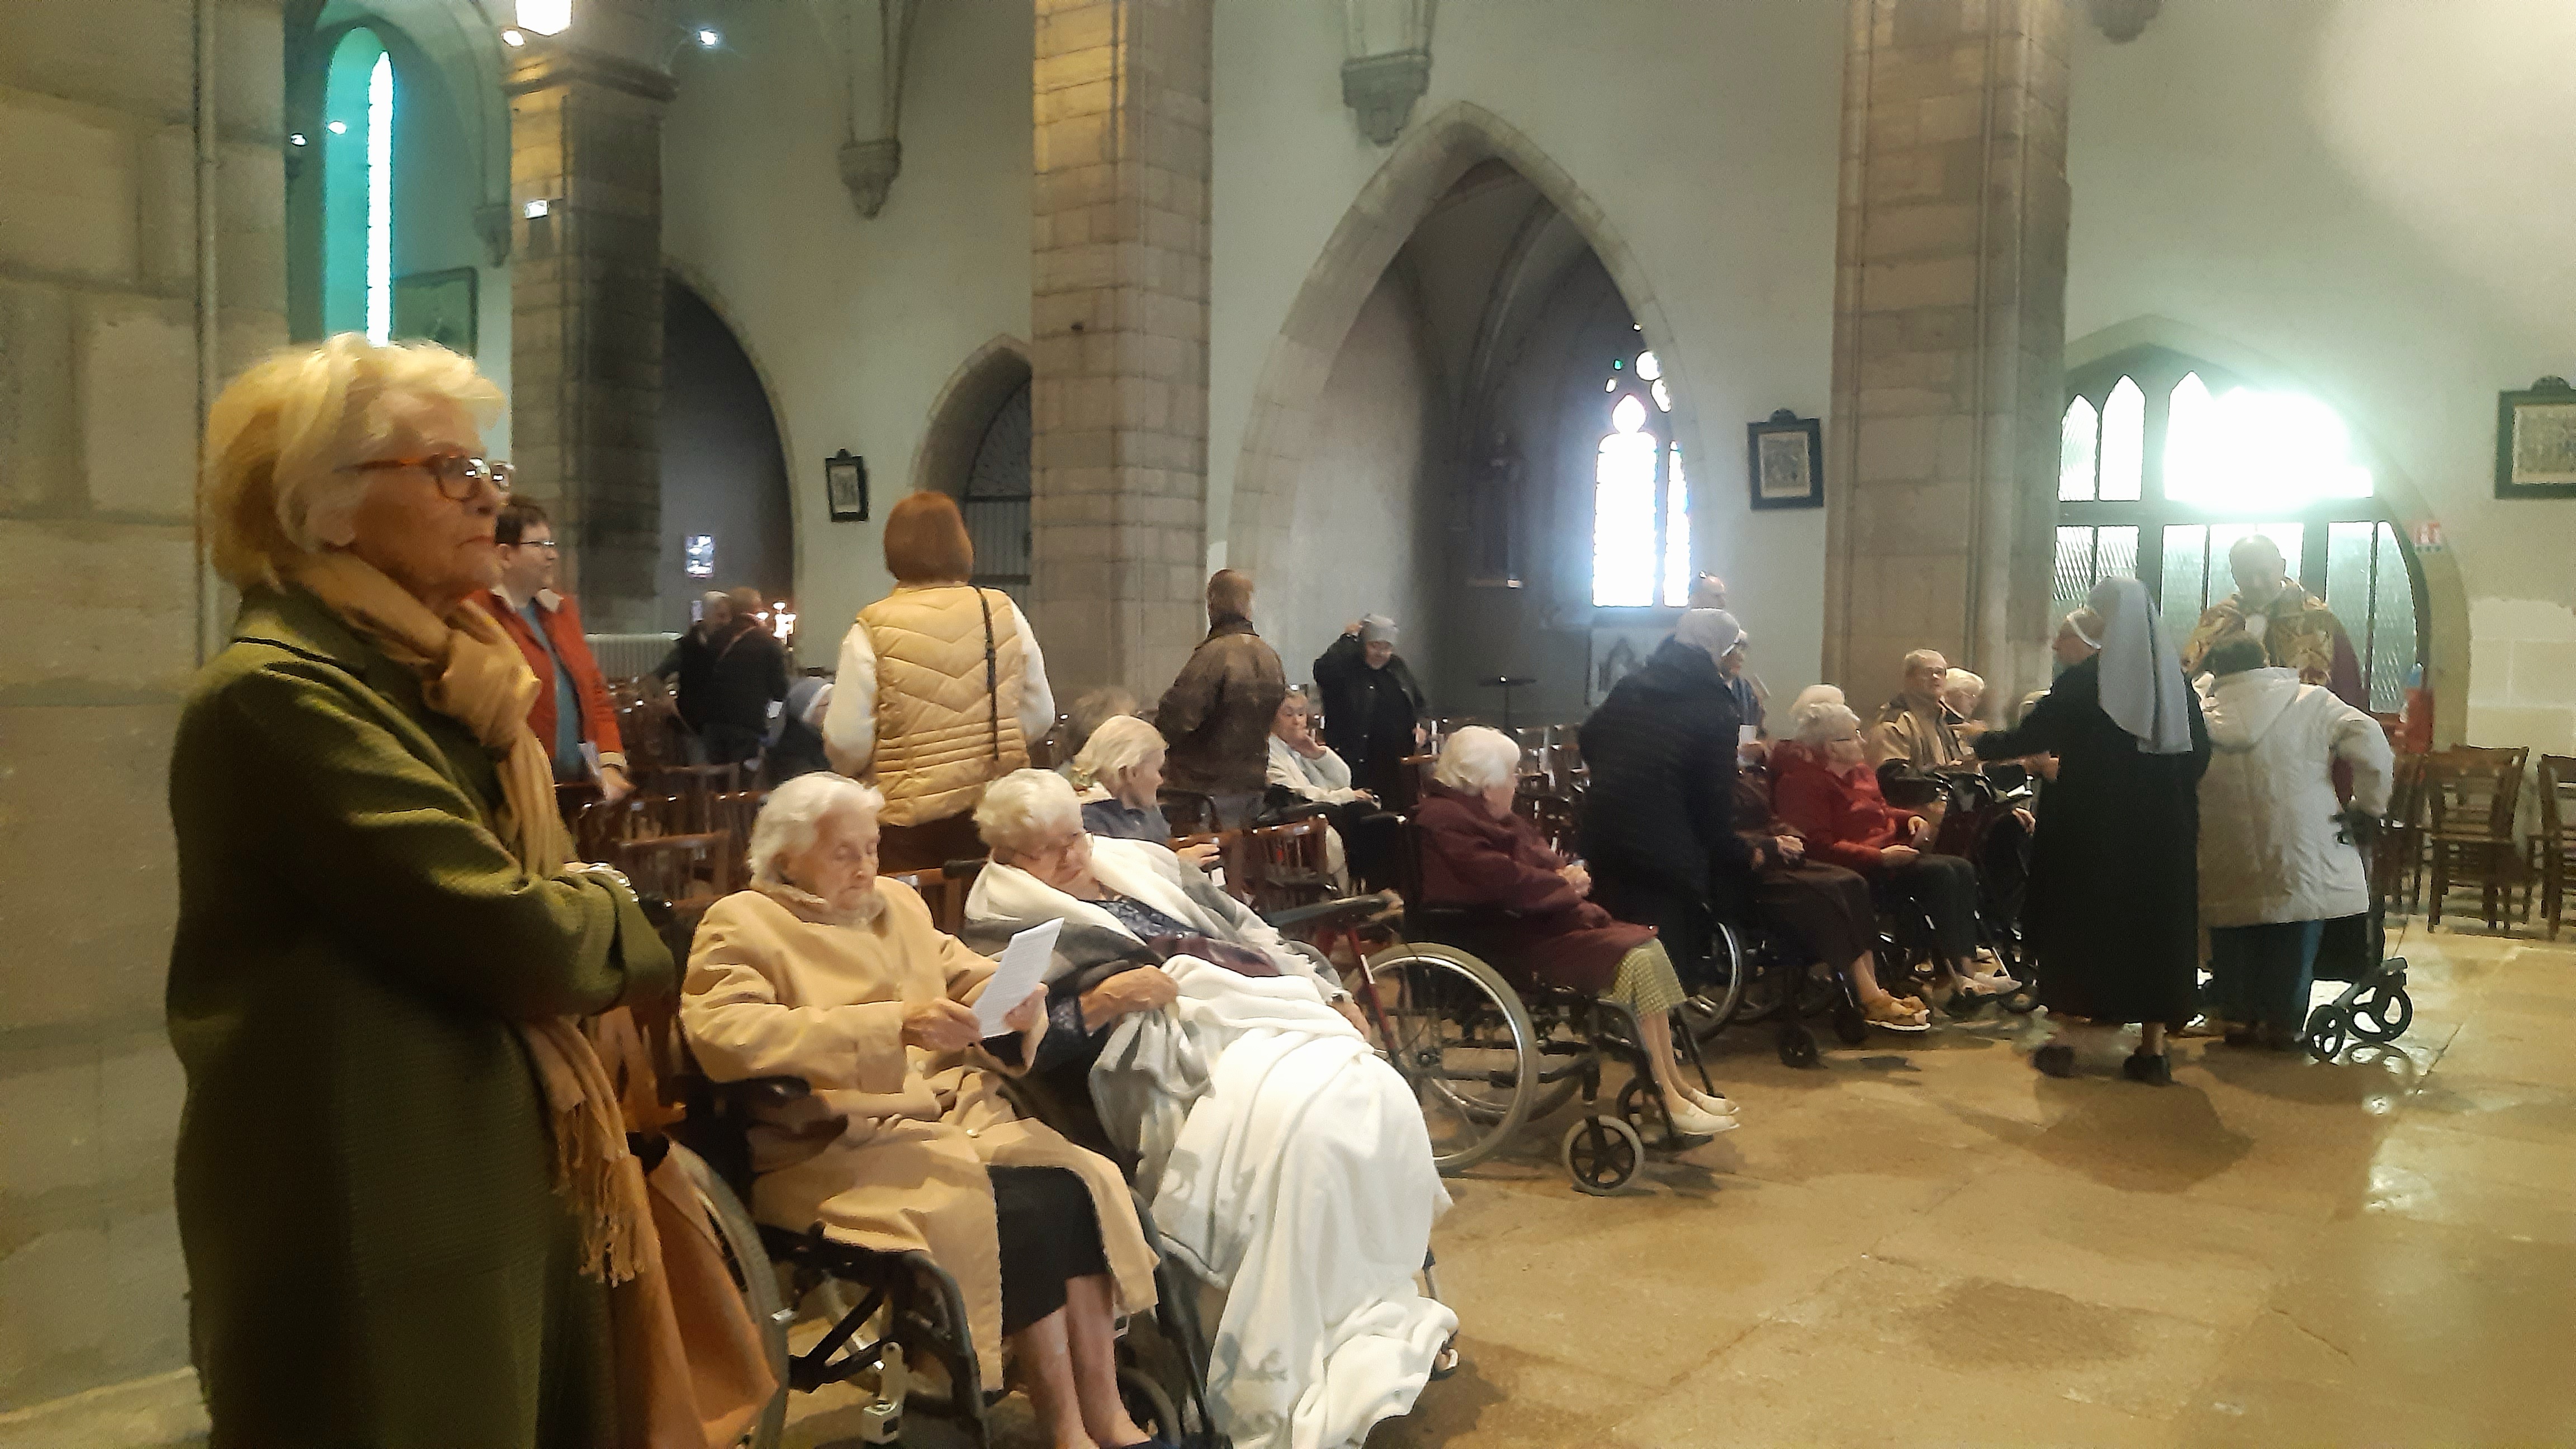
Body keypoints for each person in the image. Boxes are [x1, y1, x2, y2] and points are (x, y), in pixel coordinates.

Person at [172, 336, 681, 1445]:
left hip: (496, 1177)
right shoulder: (280, 694)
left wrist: (585, 909)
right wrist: (637, 918)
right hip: (385, 1210)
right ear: (324, 510)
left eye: (486, 469)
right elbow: (516, 934)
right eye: (449, 471)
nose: (488, 500)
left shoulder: (450, 678)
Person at [963, 770, 1459, 1449]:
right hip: (1160, 1064)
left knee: (1374, 1093)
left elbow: (1248, 930)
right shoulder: (1000, 921)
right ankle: (1287, 1351)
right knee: (1304, 1134)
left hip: (1256, 1014)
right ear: (1007, 855)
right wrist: (1103, 1001)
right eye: (1048, 850)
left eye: (1075, 836)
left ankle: (1368, 1313)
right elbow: (1010, 1045)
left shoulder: (1140, 862)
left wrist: (1325, 987)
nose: (1073, 856)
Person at [680, 774, 1163, 1449]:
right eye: (844, 852)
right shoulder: (742, 922)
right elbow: (726, 1035)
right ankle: (1064, 1429)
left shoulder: (896, 906)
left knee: (1077, 1185)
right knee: (1022, 1213)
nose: (865, 866)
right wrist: (891, 1024)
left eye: (872, 847)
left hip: (946, 1116)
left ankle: (1106, 1413)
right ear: (787, 856)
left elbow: (963, 970)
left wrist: (1014, 996)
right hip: (833, 1139)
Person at [1417, 727, 1741, 1137]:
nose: (1517, 782)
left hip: (1533, 922)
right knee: (1636, 958)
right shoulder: (1444, 821)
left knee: (1648, 947)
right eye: (1512, 774)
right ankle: (1664, 1095)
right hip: (1504, 938)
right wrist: (1561, 884)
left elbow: (1535, 859)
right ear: (1486, 785)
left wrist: (1567, 873)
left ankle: (1675, 1086)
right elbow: (1500, 879)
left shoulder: (1483, 815)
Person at [1974, 578, 2209, 1085]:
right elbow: (2199, 757)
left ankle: (2064, 1041)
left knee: (2078, 921)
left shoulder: (2086, 682)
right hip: (2162, 833)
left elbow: (2033, 736)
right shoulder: (2176, 686)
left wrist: (1980, 742)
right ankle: (2152, 1048)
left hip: (2089, 828)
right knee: (2153, 926)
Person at [825, 491, 1056, 869]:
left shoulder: (873, 626)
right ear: (963, 544)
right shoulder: (1000, 611)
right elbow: (1040, 713)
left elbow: (847, 738)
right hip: (993, 808)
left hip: (906, 821)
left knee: (914, 906)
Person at [2196, 636, 2394, 1047]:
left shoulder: (2199, 712)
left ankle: (2236, 1018)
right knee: (2294, 923)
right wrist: (2369, 806)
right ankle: (2284, 1024)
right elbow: (2371, 739)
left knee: (2234, 924)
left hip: (2224, 838)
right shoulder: (2311, 701)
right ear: (2266, 661)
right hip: (2301, 841)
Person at [1577, 610, 1769, 992]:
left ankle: (1614, 1011)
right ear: (1720, 647)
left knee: (1616, 940)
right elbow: (1713, 797)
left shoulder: (1633, 684)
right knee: (1667, 955)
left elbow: (1590, 738)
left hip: (1604, 832)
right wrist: (1734, 849)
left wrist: (1624, 774)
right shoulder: (1714, 702)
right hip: (1666, 846)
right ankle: (1667, 1021)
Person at [1773, 700, 2002, 1005]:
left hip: (1887, 855)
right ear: (1831, 747)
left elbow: (1881, 811)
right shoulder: (1802, 783)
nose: (1863, 741)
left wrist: (1908, 819)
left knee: (1960, 868)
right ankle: (1953, 977)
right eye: (1853, 736)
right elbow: (1818, 846)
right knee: (1941, 875)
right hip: (1853, 869)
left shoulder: (1861, 773)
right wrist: (1880, 857)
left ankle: (1964, 969)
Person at [1733, 726, 1930, 1030]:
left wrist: (1788, 836)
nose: (1862, 740)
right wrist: (1770, 844)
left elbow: (1771, 819)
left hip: (1773, 854)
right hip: (1743, 867)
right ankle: (1868, 994)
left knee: (1849, 882)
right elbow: (1723, 835)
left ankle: (1872, 990)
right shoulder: (1790, 781)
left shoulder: (1747, 779)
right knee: (1832, 889)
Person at [479, 499, 632, 800]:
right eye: (539, 545)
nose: (552, 555)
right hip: (514, 788)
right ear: (505, 555)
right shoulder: (476, 612)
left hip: (577, 783)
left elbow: (595, 692)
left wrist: (609, 763)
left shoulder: (561, 611)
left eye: (551, 544)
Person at [1154, 569, 1286, 828]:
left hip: (1201, 791)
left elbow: (1177, 719)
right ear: (1249, 607)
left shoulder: (1213, 655)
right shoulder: (1269, 656)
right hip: (1252, 784)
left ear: (1212, 604)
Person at [2180, 533, 2366, 707]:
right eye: (2246, 575)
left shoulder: (2318, 622)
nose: (2256, 584)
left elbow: (2347, 689)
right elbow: (2188, 680)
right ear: (2234, 574)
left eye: (2263, 573)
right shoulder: (2218, 619)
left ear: (2282, 567)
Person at [1267, 688, 1398, 888]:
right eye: (1288, 714)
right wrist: (1347, 796)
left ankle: (1381, 891)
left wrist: (1318, 753)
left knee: (1382, 821)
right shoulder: (1268, 753)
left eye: (1301, 714)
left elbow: (1344, 779)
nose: (1297, 721)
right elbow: (1298, 794)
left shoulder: (1300, 747)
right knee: (1367, 820)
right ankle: (1370, 892)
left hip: (1328, 811)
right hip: (1303, 819)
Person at [1067, 714, 1223, 872]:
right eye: (1158, 771)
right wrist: (1178, 864)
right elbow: (1119, 878)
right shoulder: (1088, 822)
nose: (1160, 780)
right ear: (1130, 773)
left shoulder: (1146, 808)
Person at [1311, 614, 1427, 803]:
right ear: (1362, 644)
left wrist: (1420, 727)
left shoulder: (1397, 667)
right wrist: (1348, 639)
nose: (1381, 653)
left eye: (1387, 647)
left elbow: (1419, 702)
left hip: (1397, 765)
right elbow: (1322, 670)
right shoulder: (1345, 668)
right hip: (1358, 762)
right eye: (1375, 646)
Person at [699, 587, 790, 773]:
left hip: (713, 723)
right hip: (748, 725)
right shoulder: (767, 641)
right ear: (757, 608)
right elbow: (780, 690)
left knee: (717, 777)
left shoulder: (714, 639)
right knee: (743, 778)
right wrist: (770, 717)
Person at [1869, 648, 1970, 771]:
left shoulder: (1949, 720)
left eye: (1940, 672)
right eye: (1927, 672)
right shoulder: (1893, 723)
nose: (1935, 677)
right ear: (1909, 678)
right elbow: (1893, 776)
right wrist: (1947, 772)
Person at [656, 590, 733, 745]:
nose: (726, 622)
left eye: (728, 617)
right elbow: (656, 677)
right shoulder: (687, 646)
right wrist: (667, 701)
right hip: (693, 724)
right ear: (706, 616)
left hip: (724, 723)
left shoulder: (732, 644)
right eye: (721, 616)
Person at [767, 670, 835, 782]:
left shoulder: (828, 739)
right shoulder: (791, 753)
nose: (834, 709)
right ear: (807, 714)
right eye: (826, 704)